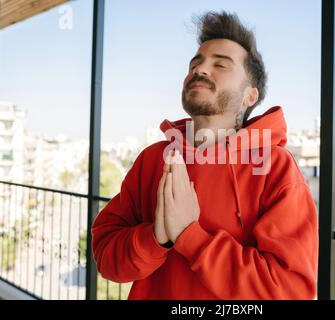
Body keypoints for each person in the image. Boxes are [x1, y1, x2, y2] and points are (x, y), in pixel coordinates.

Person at [92, 11, 318, 300]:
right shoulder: (153, 159)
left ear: (250, 96)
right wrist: (156, 238)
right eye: (195, 63)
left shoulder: (276, 169)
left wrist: (189, 235)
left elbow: (289, 292)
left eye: (220, 64)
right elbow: (106, 258)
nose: (200, 69)